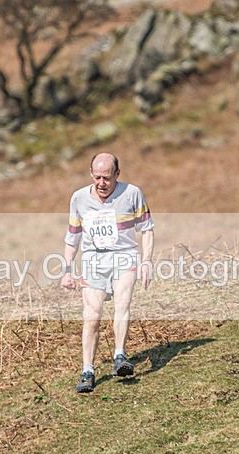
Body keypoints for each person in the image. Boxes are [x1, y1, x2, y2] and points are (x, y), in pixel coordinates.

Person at [60, 152, 154, 393]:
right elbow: (73, 237)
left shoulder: (132, 193)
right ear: (91, 174)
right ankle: (87, 371)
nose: (102, 183)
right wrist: (67, 270)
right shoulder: (79, 198)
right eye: (97, 177)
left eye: (107, 178)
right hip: (93, 259)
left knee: (123, 302)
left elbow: (147, 229)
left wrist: (146, 261)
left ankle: (120, 356)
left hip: (124, 255)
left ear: (117, 175)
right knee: (91, 315)